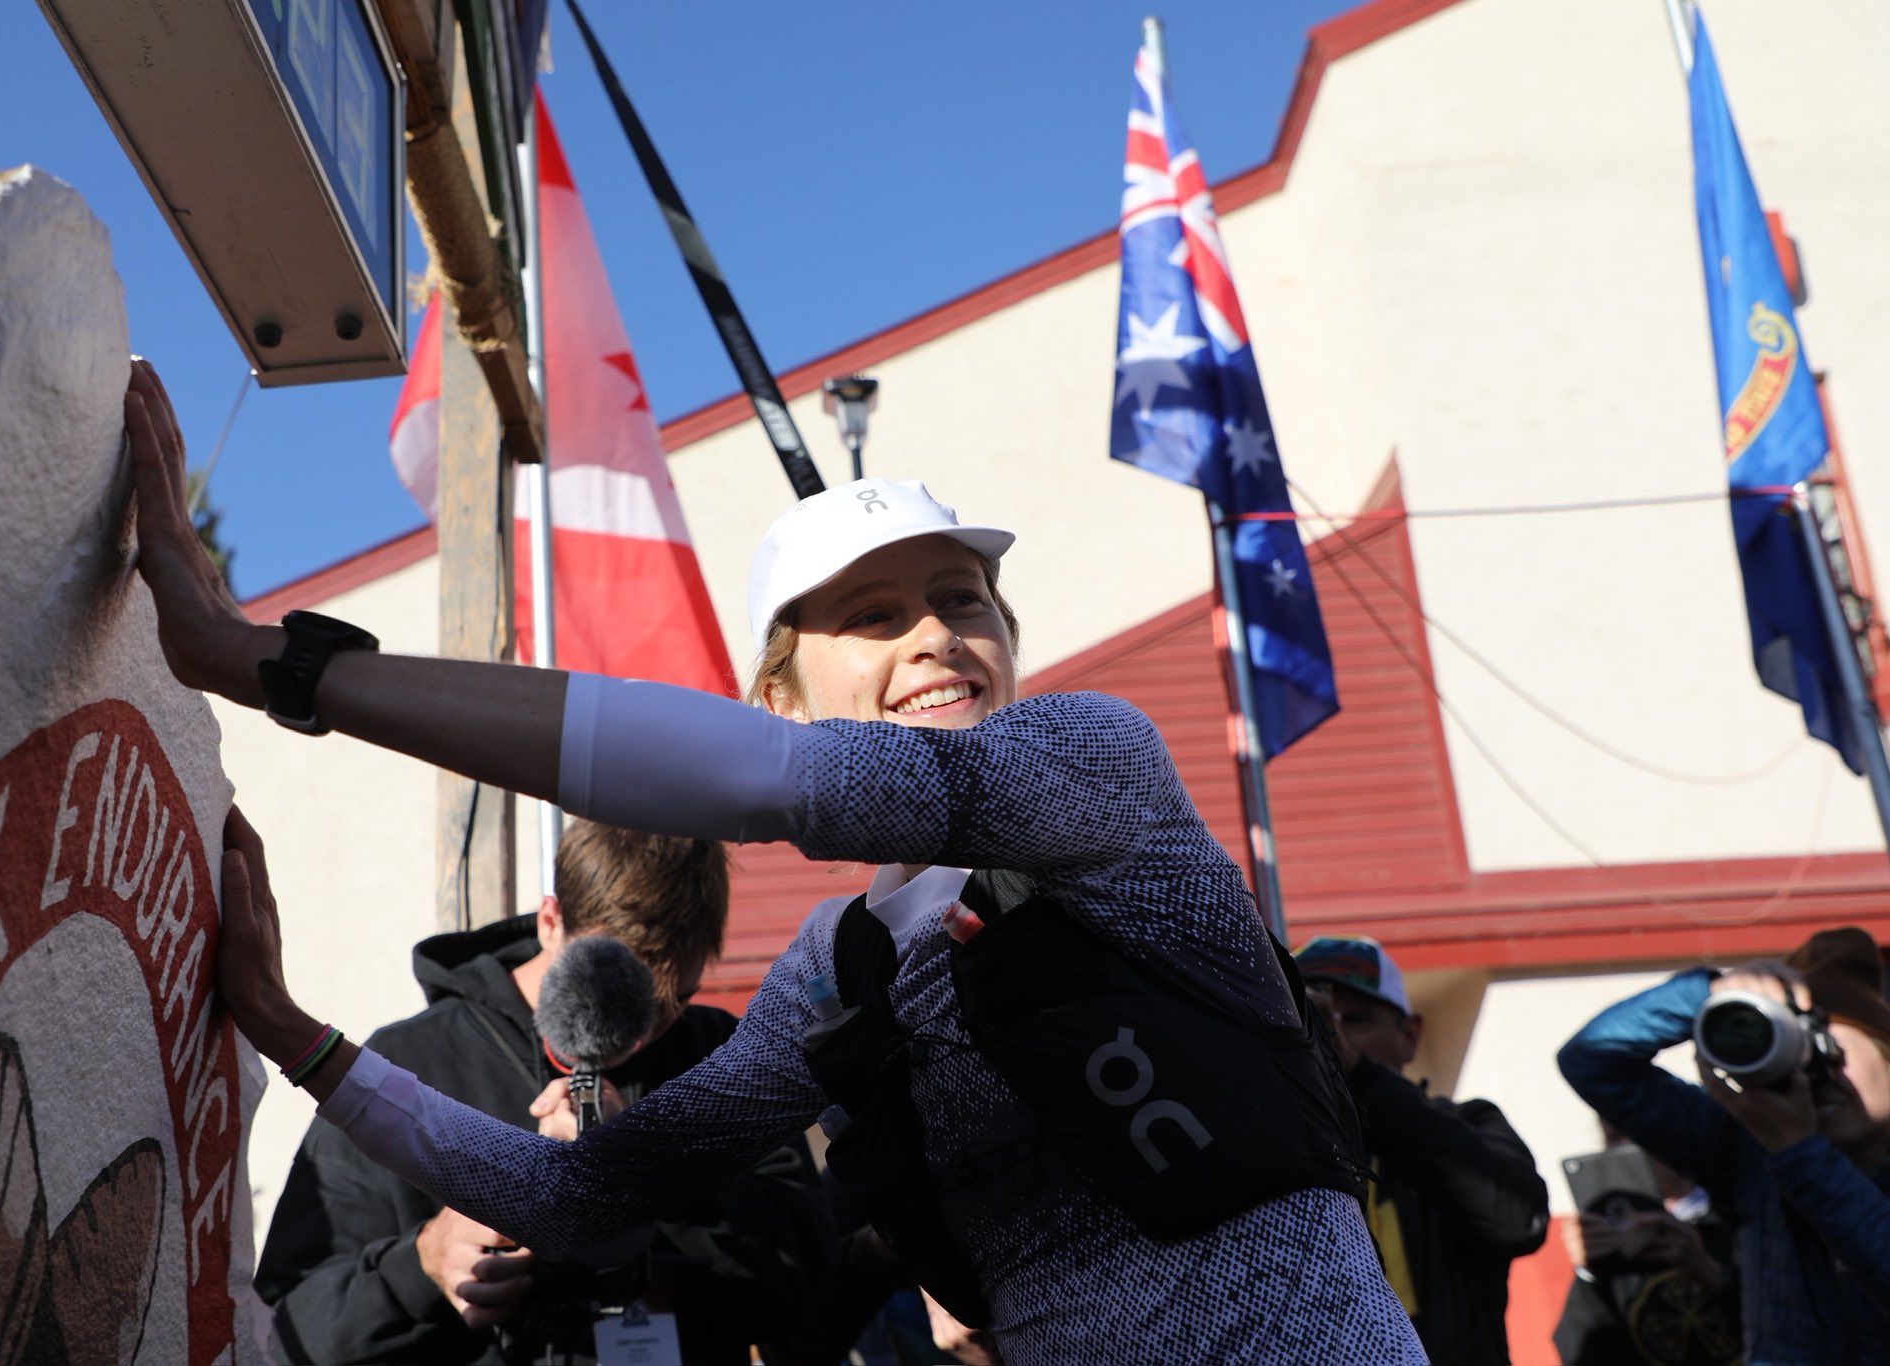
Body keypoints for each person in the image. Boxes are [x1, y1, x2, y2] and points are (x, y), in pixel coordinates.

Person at [124, 361, 1424, 1362]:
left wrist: (259, 659)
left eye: (961, 600)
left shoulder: (1094, 762)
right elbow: (581, 1193)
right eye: (873, 613)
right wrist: (295, 1033)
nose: (933, 632)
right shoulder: (832, 976)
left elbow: (764, 782)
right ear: (783, 693)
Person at [253, 819, 837, 1364]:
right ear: (550, 922)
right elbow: (284, 1331)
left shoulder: (721, 1054)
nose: (643, 1034)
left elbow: (812, 1282)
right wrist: (421, 1267)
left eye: (676, 1001)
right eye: (620, 993)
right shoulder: (407, 1063)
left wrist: (646, 1170)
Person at [1558, 927, 1890, 1364]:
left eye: (1831, 1050)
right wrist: (1710, 996)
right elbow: (1592, 1059)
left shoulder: (1785, 1149)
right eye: (1801, 1055)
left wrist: (1801, 1152)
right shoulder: (1749, 1147)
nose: (1818, 1077)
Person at [1296, 936, 1550, 1364]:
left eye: (1355, 1020)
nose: (1332, 1038)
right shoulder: (1282, 1154)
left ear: (1410, 1036)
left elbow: (1520, 1219)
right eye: (1313, 1022)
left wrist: (1359, 1077)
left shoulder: (1471, 1121)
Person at [1552, 1124, 1740, 1366]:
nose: (1628, 1148)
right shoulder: (1615, 1252)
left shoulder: (1739, 1218)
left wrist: (1710, 1272)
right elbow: (1579, 1355)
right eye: (1615, 1138)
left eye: (1641, 1131)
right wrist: (1589, 1274)